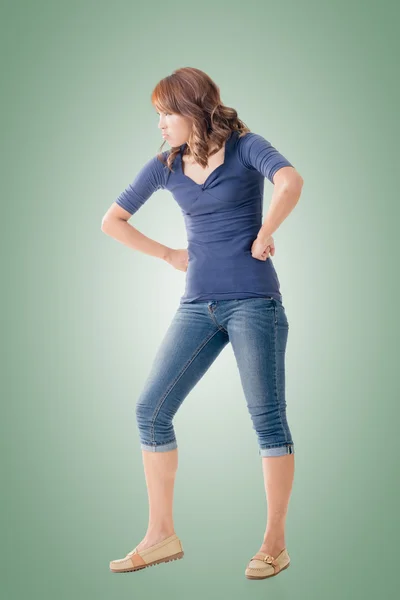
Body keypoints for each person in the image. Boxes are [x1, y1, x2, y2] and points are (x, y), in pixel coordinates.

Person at [102, 67, 304, 579]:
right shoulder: (165, 164)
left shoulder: (245, 146)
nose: (160, 124)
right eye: (158, 115)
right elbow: (112, 221)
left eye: (166, 113)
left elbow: (290, 181)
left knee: (268, 422)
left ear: (192, 109)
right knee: (151, 411)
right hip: (197, 306)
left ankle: (273, 544)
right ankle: (160, 536)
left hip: (254, 302)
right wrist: (169, 253)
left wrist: (265, 232)